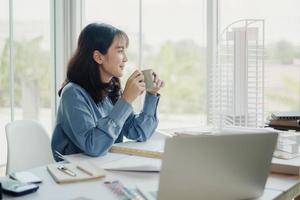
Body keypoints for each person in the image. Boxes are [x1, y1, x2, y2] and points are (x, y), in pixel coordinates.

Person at [51, 23, 164, 161]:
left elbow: (139, 132)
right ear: (98, 57)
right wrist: (126, 100)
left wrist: (151, 95)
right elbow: (93, 146)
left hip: (106, 168)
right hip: (77, 174)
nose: (126, 59)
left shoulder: (112, 89)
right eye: (120, 51)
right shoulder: (72, 93)